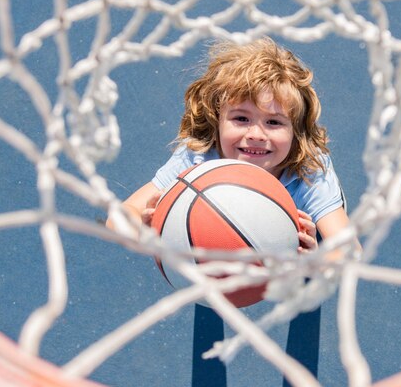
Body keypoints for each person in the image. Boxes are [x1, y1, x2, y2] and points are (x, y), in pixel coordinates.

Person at [108, 37, 355, 256]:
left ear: (296, 132)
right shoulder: (199, 156)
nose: (256, 134)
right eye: (241, 119)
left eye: (273, 122)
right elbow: (119, 218)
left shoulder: (308, 169)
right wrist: (141, 228)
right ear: (217, 121)